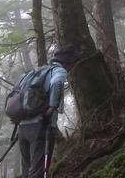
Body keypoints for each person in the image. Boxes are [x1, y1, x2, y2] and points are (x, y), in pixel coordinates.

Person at [18, 44, 84, 178]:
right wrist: (52, 107)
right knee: (37, 171)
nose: (73, 65)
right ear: (67, 62)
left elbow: (19, 87)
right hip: (41, 125)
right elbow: (56, 83)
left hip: (23, 126)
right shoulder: (59, 71)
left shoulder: (38, 71)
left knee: (27, 169)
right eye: (73, 62)